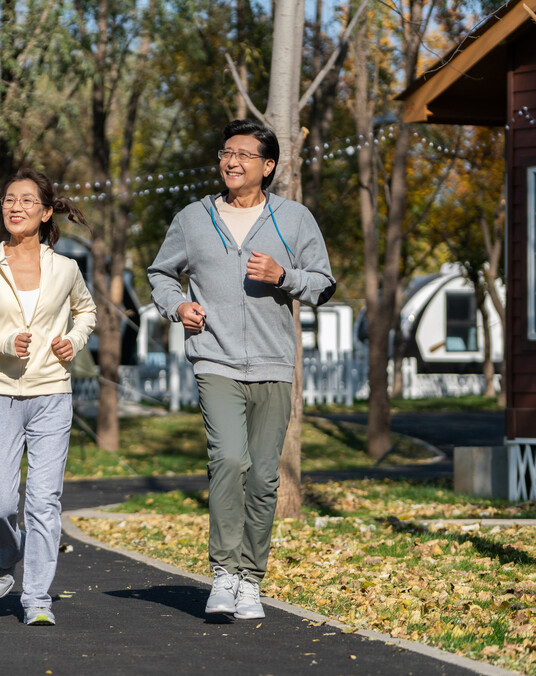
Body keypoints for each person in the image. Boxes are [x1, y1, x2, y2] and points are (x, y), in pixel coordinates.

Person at [147, 120, 336, 620]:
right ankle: (224, 573)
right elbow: (161, 273)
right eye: (225, 152)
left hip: (274, 362)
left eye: (244, 155)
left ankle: (251, 579)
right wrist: (177, 307)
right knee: (229, 460)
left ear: (267, 166)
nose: (231, 162)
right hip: (215, 358)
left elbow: (322, 283)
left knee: (264, 478)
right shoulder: (193, 218)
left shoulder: (293, 219)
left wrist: (283, 276)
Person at [0, 169, 97, 626]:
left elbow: (86, 311)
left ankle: (37, 598)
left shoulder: (66, 268)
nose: (16, 207)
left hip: (52, 392)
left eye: (27, 201)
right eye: (9, 200)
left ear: (46, 212)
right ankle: (5, 556)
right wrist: (1, 342)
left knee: (43, 499)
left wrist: (72, 343)